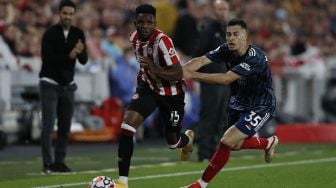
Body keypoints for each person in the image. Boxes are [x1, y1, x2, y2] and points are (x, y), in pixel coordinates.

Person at [181, 18, 279, 188]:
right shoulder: (226, 49)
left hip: (260, 105)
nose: (231, 38)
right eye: (228, 35)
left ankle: (200, 184)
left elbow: (227, 79)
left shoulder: (255, 58)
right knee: (235, 144)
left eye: (235, 34)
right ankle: (268, 143)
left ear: (245, 37)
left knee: (226, 141)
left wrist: (193, 75)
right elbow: (202, 60)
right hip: (239, 102)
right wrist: (182, 70)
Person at [114, 4, 194, 188]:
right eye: (140, 22)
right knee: (127, 125)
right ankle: (122, 182)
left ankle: (188, 140)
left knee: (173, 142)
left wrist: (153, 68)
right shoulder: (134, 38)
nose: (144, 26)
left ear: (155, 23)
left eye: (149, 22)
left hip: (171, 93)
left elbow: (177, 74)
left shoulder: (163, 41)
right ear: (135, 23)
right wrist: (147, 76)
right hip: (148, 87)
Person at [39, 0, 88, 174]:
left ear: (74, 15)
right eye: (64, 13)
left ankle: (59, 162)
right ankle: (47, 163)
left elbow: (83, 60)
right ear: (59, 13)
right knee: (48, 125)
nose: (67, 16)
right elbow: (48, 59)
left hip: (68, 85)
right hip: (50, 83)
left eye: (70, 13)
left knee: (65, 126)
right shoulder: (50, 34)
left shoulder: (78, 33)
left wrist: (80, 52)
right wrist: (70, 55)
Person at [193, 0, 231, 162]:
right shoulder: (208, 30)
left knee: (221, 117)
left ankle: (215, 152)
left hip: (225, 79)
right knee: (209, 116)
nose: (222, 12)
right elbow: (199, 53)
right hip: (211, 79)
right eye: (219, 9)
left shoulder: (227, 30)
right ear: (213, 11)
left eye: (224, 9)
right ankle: (204, 154)